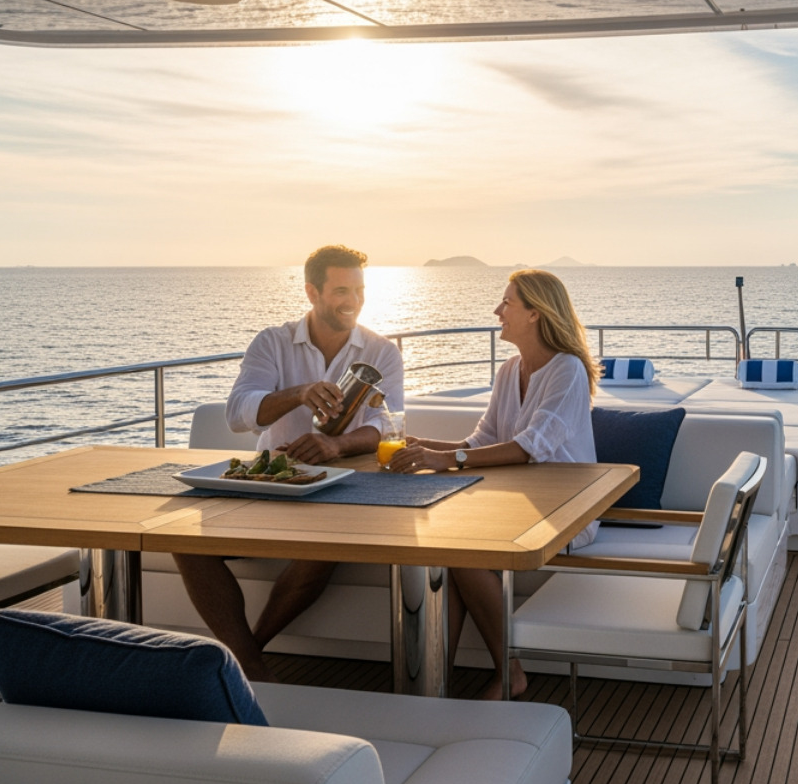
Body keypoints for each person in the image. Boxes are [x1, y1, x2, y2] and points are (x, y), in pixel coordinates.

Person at [172, 244, 404, 681]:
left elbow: (385, 427)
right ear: (312, 292)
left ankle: (245, 659)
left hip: (345, 487)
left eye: (358, 289)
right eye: (341, 290)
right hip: (270, 484)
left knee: (322, 549)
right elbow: (239, 412)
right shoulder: (272, 342)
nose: (352, 300)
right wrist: (298, 393)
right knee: (187, 541)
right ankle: (251, 665)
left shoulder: (381, 351)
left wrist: (336, 447)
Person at [386, 269, 600, 699]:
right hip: (513, 506)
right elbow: (483, 440)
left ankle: (510, 673)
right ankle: (432, 679)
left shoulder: (568, 371)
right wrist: (419, 446)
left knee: (461, 551)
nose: (497, 311)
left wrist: (444, 459)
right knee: (442, 546)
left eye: (507, 303)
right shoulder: (509, 371)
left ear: (535, 314)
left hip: (564, 511)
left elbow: (529, 446)